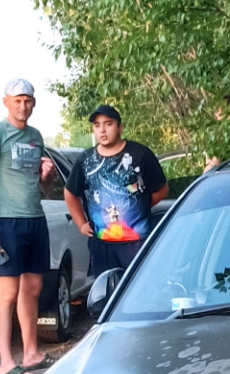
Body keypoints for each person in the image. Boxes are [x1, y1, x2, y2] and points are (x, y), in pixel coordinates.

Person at [0, 78, 57, 374]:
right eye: (18, 100)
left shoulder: (35, 136)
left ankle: (31, 352)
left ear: (34, 103)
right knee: (7, 292)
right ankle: (6, 362)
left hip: (35, 219)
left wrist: (47, 176)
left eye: (28, 100)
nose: (23, 106)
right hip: (6, 222)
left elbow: (43, 189)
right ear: (6, 102)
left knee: (33, 287)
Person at [63, 103, 168, 277]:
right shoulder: (86, 160)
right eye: (97, 126)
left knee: (137, 289)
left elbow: (162, 189)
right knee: (106, 295)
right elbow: (70, 193)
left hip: (137, 241)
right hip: (102, 244)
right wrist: (81, 224)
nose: (102, 130)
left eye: (108, 124)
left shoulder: (140, 154)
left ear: (120, 127)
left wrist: (140, 206)